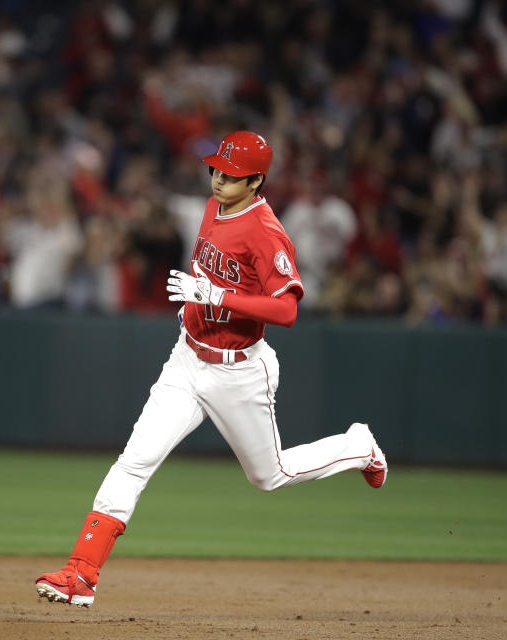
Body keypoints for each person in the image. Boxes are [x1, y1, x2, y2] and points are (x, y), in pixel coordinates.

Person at [34, 131, 388, 608]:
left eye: (232, 174)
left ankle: (358, 446)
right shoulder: (211, 206)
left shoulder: (265, 231)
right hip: (187, 358)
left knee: (270, 475)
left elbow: (287, 311)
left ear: (257, 180)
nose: (219, 179)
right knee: (134, 460)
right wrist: (197, 306)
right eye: (216, 169)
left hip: (238, 371)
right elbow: (210, 274)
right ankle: (81, 574)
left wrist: (218, 297)